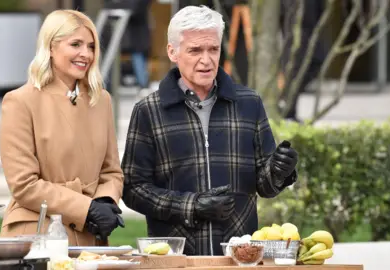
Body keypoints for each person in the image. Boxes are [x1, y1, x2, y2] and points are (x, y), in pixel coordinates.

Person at [121, 5, 298, 256]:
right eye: (195, 50)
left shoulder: (249, 103)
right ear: (172, 52)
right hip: (176, 260)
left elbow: (265, 186)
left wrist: (280, 171)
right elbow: (133, 189)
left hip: (239, 257)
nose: (207, 60)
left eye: (213, 49)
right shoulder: (148, 111)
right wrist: (191, 206)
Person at [0, 10, 124, 246]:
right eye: (75, 44)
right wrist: (86, 209)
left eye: (91, 46)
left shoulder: (102, 100)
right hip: (36, 233)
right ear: (50, 47)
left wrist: (106, 201)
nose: (85, 54)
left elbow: (112, 172)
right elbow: (24, 185)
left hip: (90, 236)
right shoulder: (19, 101)